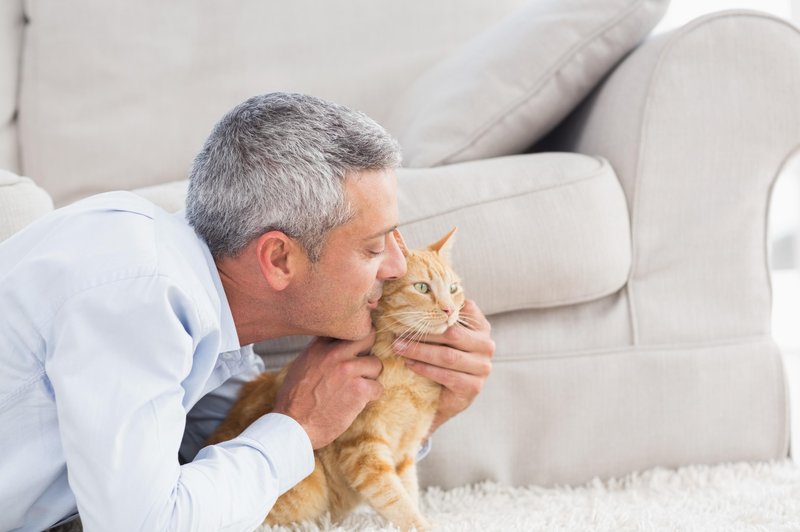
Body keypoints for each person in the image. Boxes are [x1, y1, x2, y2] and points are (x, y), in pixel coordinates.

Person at [0, 93, 494, 531]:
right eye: (372, 248)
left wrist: (420, 409)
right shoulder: (141, 296)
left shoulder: (196, 291)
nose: (397, 267)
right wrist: (298, 429)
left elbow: (212, 436)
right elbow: (145, 523)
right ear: (278, 259)